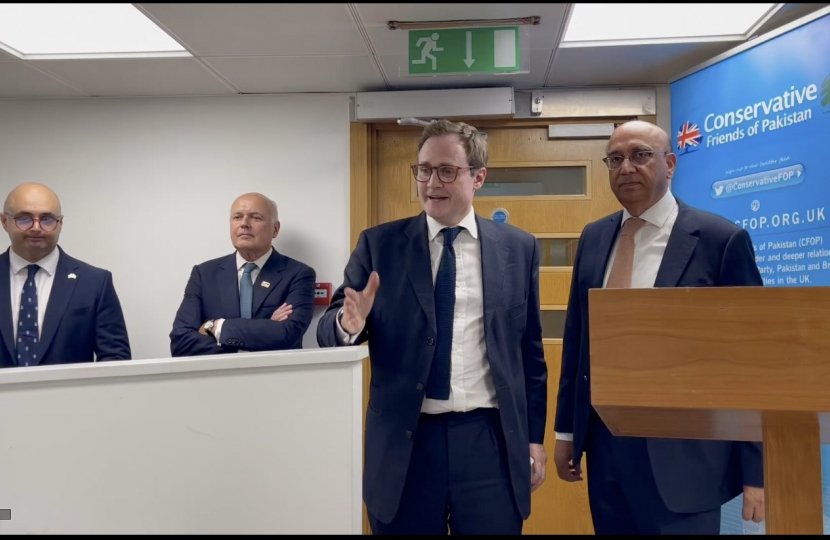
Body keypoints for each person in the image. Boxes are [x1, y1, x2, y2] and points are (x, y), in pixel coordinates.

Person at [317, 119, 547, 534]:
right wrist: (347, 324)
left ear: (478, 177)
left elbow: (529, 353)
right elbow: (331, 327)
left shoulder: (518, 248)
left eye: (447, 170)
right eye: (424, 170)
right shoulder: (380, 245)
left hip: (489, 441)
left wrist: (533, 438)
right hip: (407, 443)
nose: (432, 182)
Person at [553, 120, 764, 534]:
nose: (626, 167)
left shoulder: (720, 240)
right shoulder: (594, 238)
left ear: (670, 164)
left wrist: (756, 470)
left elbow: (750, 360)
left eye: (640, 155)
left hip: (686, 462)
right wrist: (566, 432)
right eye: (615, 159)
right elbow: (578, 342)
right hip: (607, 453)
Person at [0, 182, 131, 367]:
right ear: (4, 221)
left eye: (47, 219)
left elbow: (116, 359)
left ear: (60, 224)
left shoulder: (94, 283)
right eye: (24, 219)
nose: (36, 227)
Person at [170, 192, 315, 356]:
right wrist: (265, 329)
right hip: (219, 372)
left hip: (275, 371)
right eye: (237, 217)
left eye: (256, 218)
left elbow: (288, 334)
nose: (244, 224)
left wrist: (216, 327)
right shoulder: (204, 274)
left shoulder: (298, 274)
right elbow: (181, 343)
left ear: (275, 229)